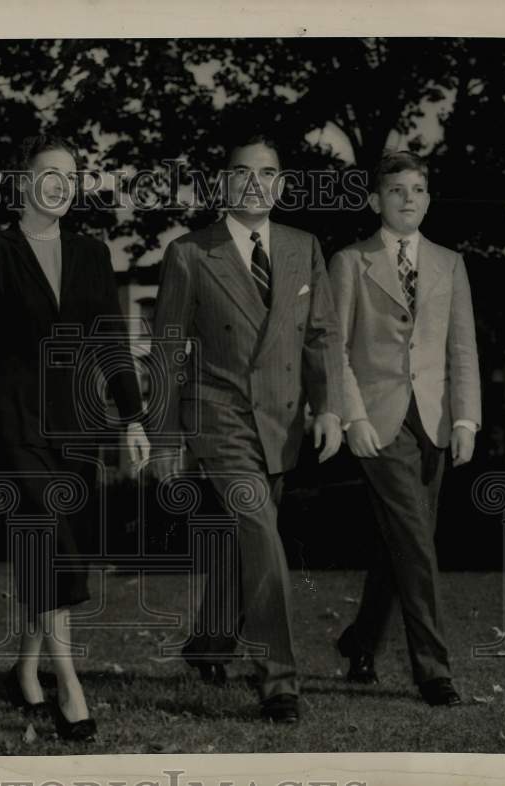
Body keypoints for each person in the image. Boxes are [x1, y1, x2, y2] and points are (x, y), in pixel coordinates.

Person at [0, 135, 150, 741]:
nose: (62, 185)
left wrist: (133, 416)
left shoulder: (92, 254)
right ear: (23, 181)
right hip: (13, 425)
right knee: (53, 540)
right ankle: (70, 682)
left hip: (77, 426)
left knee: (52, 547)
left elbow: (111, 341)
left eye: (71, 176)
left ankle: (24, 668)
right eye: (50, 174)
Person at [150, 134, 344, 723]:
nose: (255, 182)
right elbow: (166, 350)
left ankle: (209, 641)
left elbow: (321, 336)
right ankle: (279, 679)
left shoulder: (303, 246)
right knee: (260, 534)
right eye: (242, 172)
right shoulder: (189, 253)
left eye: (267, 172)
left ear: (282, 184)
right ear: (223, 183)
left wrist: (329, 406)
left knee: (248, 545)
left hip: (281, 421)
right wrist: (163, 439)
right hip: (220, 419)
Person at [328, 150, 482, 707]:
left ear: (429, 199)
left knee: (399, 543)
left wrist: (465, 417)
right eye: (396, 191)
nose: (408, 199)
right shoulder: (350, 262)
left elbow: (462, 348)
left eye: (417, 190)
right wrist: (353, 417)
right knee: (416, 541)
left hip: (435, 422)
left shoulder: (450, 263)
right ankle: (433, 670)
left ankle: (360, 641)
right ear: (376, 200)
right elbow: (335, 348)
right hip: (378, 422)